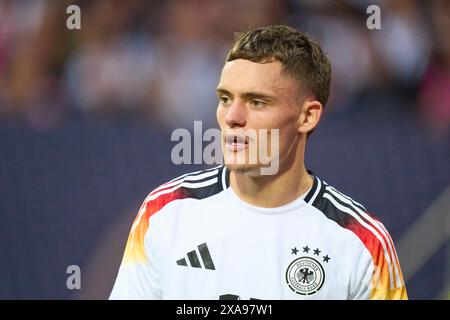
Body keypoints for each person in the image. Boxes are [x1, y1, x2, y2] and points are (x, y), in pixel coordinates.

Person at [109, 25, 407, 300]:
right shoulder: (165, 211)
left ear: (308, 116)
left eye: (256, 102)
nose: (232, 117)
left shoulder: (362, 242)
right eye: (225, 98)